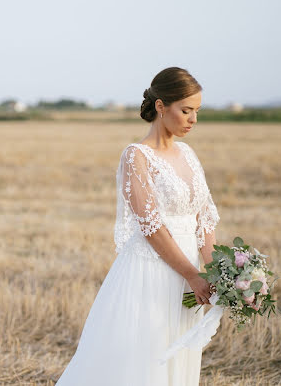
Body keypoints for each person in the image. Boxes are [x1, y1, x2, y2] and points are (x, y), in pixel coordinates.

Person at [56, 66, 220, 386]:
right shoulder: (136, 156)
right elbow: (151, 226)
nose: (193, 120)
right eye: (186, 110)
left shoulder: (187, 154)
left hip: (191, 277)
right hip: (152, 273)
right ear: (161, 106)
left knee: (177, 352)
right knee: (144, 357)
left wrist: (216, 274)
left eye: (197, 112)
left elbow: (205, 219)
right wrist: (191, 273)